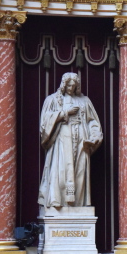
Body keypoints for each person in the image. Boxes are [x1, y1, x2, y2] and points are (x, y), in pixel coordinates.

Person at [38, 72, 103, 208]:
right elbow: (45, 122)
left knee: (79, 172)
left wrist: (94, 136)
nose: (71, 88)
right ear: (64, 85)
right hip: (61, 140)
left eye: (73, 86)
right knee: (60, 172)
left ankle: (78, 205)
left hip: (81, 141)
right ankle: (57, 201)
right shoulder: (53, 100)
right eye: (68, 86)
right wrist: (65, 113)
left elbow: (92, 122)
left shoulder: (84, 101)